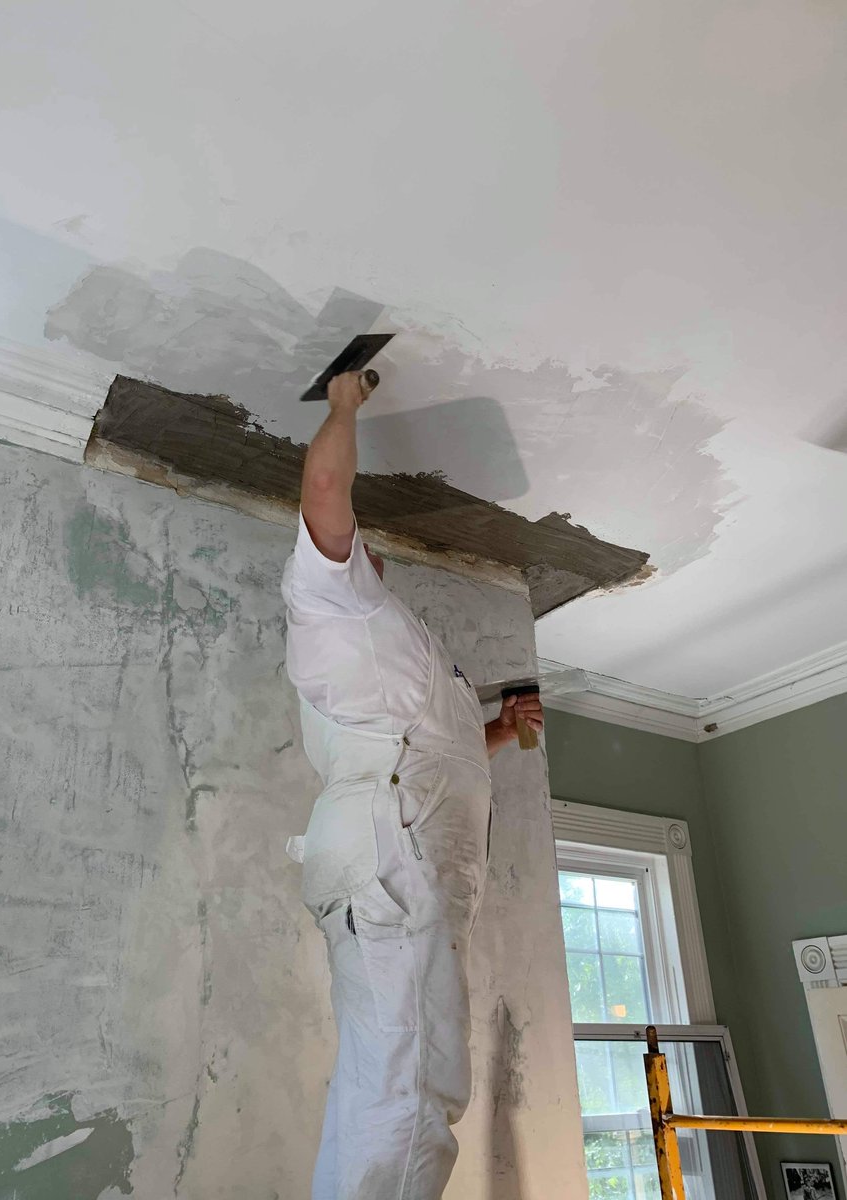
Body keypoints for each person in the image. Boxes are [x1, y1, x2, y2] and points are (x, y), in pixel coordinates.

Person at [281, 371, 543, 1199]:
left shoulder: (387, 646)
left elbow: (432, 748)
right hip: (393, 869)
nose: (368, 552)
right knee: (411, 1086)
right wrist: (346, 404)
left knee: (399, 1077)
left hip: (401, 870)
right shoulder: (331, 607)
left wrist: (499, 731)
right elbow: (325, 487)